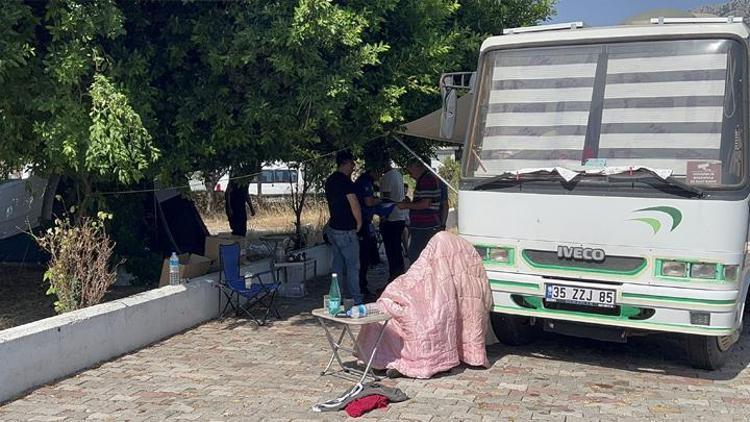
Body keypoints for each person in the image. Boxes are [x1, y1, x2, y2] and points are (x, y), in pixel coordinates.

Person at [324, 151, 364, 305]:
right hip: (346, 229)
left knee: (337, 266)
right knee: (353, 266)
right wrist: (359, 222)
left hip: (333, 227)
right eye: (352, 164)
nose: (353, 167)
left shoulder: (330, 180)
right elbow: (354, 204)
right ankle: (356, 299)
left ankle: (336, 298)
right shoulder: (346, 182)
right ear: (345, 163)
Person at [397, 158, 442, 263]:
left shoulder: (427, 180)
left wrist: (406, 205)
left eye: (410, 171)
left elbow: (425, 204)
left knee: (416, 256)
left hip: (426, 226)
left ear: (417, 167)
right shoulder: (424, 179)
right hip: (423, 225)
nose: (409, 175)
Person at [354, 165, 382, 298]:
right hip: (363, 223)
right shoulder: (365, 183)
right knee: (363, 257)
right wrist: (382, 199)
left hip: (365, 222)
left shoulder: (365, 181)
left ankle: (362, 285)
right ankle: (361, 287)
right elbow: (369, 202)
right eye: (379, 173)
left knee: (366, 256)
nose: (380, 176)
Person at [379, 158, 408, 282]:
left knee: (392, 251)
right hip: (400, 216)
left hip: (391, 217)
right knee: (397, 249)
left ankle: (394, 277)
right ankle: (399, 275)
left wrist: (383, 217)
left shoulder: (386, 178)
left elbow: (386, 199)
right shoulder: (398, 174)